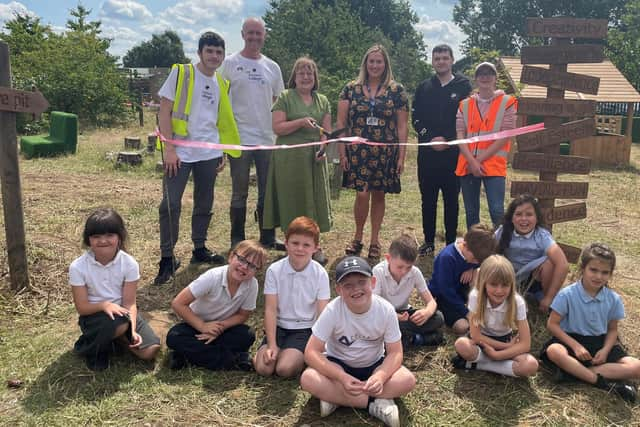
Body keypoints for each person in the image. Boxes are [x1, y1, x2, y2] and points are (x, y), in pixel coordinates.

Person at [154, 31, 240, 285]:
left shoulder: (222, 83)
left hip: (209, 152)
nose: (214, 56)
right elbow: (165, 111)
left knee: (205, 202)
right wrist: (169, 149)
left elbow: (221, 119)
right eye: (210, 51)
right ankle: (167, 258)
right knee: (170, 204)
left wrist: (222, 150)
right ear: (200, 52)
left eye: (219, 52)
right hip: (179, 152)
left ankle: (199, 248)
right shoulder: (182, 73)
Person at [300, 256, 416, 427]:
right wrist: (341, 376)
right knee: (308, 378)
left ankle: (336, 398)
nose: (356, 289)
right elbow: (311, 352)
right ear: (338, 290)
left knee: (407, 380)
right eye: (348, 285)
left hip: (373, 365)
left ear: (373, 282)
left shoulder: (386, 310)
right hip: (339, 367)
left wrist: (380, 376)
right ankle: (374, 403)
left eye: (362, 282)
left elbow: (395, 352)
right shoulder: (332, 310)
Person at [541, 243, 640, 402]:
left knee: (636, 367)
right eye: (593, 270)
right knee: (554, 351)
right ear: (583, 268)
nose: (598, 276)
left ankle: (575, 373)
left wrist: (606, 350)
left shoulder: (613, 299)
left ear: (610, 274)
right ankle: (600, 382)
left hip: (599, 343)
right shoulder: (567, 294)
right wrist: (575, 346)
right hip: (570, 341)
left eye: (605, 272)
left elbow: (612, 329)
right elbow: (552, 324)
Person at [337, 44, 409, 262]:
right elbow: (341, 122)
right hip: (357, 151)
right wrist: (342, 152)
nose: (375, 65)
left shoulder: (397, 91)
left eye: (379, 61)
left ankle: (375, 241)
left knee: (378, 194)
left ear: (385, 64)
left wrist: (401, 156)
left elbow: (402, 126)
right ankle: (358, 236)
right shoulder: (350, 88)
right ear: (365, 64)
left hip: (385, 152)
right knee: (361, 193)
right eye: (371, 61)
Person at [219, 17, 286, 251]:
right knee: (239, 192)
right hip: (239, 140)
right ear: (242, 34)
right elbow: (220, 101)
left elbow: (278, 101)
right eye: (251, 33)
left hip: (267, 139)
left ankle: (268, 236)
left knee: (267, 193)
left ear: (264, 35)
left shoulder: (272, 67)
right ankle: (237, 238)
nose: (255, 38)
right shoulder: (229, 64)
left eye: (259, 33)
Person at [70, 208, 160, 371]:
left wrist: (132, 331)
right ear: (88, 239)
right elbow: (82, 307)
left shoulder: (129, 263)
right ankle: (93, 350)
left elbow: (129, 303)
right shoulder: (78, 267)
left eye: (109, 235)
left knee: (150, 351)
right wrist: (104, 306)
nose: (103, 241)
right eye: (96, 236)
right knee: (116, 324)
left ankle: (119, 338)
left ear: (120, 237)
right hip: (94, 316)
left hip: (124, 314)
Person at [263, 56, 332, 264]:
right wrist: (301, 122)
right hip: (289, 160)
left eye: (309, 73)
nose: (305, 76)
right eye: (301, 72)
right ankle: (291, 249)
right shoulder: (285, 97)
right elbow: (278, 127)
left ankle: (314, 247)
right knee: (291, 202)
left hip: (314, 161)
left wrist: (323, 146)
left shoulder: (324, 100)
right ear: (295, 76)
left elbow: (326, 131)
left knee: (314, 204)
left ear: (315, 77)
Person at [166, 240, 268, 371]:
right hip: (195, 325)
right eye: (242, 260)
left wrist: (219, 328)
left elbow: (243, 315)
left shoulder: (252, 285)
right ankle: (231, 360)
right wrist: (203, 326)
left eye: (252, 266)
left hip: (222, 329)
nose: (245, 267)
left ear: (256, 271)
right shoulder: (212, 277)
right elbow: (178, 303)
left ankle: (186, 357)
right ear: (231, 257)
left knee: (247, 335)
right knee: (174, 336)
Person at [412, 44, 472, 256]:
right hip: (428, 154)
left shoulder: (464, 85)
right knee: (427, 199)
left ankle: (449, 244)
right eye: (437, 58)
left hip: (453, 154)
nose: (441, 62)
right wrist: (430, 138)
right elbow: (416, 117)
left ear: (452, 60)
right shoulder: (424, 87)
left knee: (451, 200)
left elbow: (466, 117)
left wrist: (448, 139)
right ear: (432, 61)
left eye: (445, 58)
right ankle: (428, 241)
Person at [254, 216, 330, 377]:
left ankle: (301, 355)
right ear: (286, 244)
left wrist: (320, 344)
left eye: (306, 245)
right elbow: (270, 309)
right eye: (295, 243)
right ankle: (279, 350)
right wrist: (272, 344)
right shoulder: (274, 270)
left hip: (303, 329)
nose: (300, 249)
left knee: (284, 369)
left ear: (315, 248)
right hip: (279, 328)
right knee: (264, 368)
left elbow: (322, 313)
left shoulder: (320, 274)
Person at [452, 255, 539, 377]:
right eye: (493, 284)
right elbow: (476, 335)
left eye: (505, 285)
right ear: (484, 283)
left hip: (504, 339)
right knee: (461, 344)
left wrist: (498, 355)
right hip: (482, 341)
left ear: (511, 285)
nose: (499, 291)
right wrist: (505, 347)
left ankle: (476, 364)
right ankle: (500, 366)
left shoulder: (517, 302)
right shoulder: (475, 296)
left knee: (530, 365)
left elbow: (525, 344)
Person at [455, 61, 517, 229]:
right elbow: (460, 134)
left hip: (494, 165)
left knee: (497, 211)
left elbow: (506, 135)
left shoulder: (508, 102)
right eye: (481, 74)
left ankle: (501, 249)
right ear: (475, 79)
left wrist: (478, 160)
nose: (485, 77)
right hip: (467, 165)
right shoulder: (464, 104)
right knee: (471, 212)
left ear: (495, 78)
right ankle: (475, 251)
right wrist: (472, 161)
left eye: (489, 73)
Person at [496, 194, 569, 313]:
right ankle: (514, 295)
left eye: (529, 214)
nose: (524, 219)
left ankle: (543, 297)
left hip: (535, 280)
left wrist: (549, 298)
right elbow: (487, 254)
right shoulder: (503, 231)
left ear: (536, 218)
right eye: (518, 214)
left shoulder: (541, 235)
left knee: (550, 263)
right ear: (511, 218)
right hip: (510, 278)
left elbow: (563, 265)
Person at [372, 234, 444, 349]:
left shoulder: (415, 272)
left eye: (409, 267)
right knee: (375, 324)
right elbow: (374, 306)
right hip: (384, 314)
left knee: (438, 318)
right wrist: (394, 316)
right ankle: (417, 338)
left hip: (404, 314)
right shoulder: (378, 271)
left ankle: (406, 338)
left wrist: (427, 312)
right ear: (388, 258)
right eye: (400, 267)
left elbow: (431, 302)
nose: (404, 271)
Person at [428, 224, 496, 335]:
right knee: (462, 327)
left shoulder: (474, 253)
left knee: (478, 273)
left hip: (460, 288)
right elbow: (446, 290)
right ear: (464, 245)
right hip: (443, 297)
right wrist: (465, 313)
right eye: (474, 259)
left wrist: (473, 269)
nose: (476, 262)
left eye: (478, 261)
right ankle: (469, 321)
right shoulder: (447, 258)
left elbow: (480, 262)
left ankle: (477, 306)